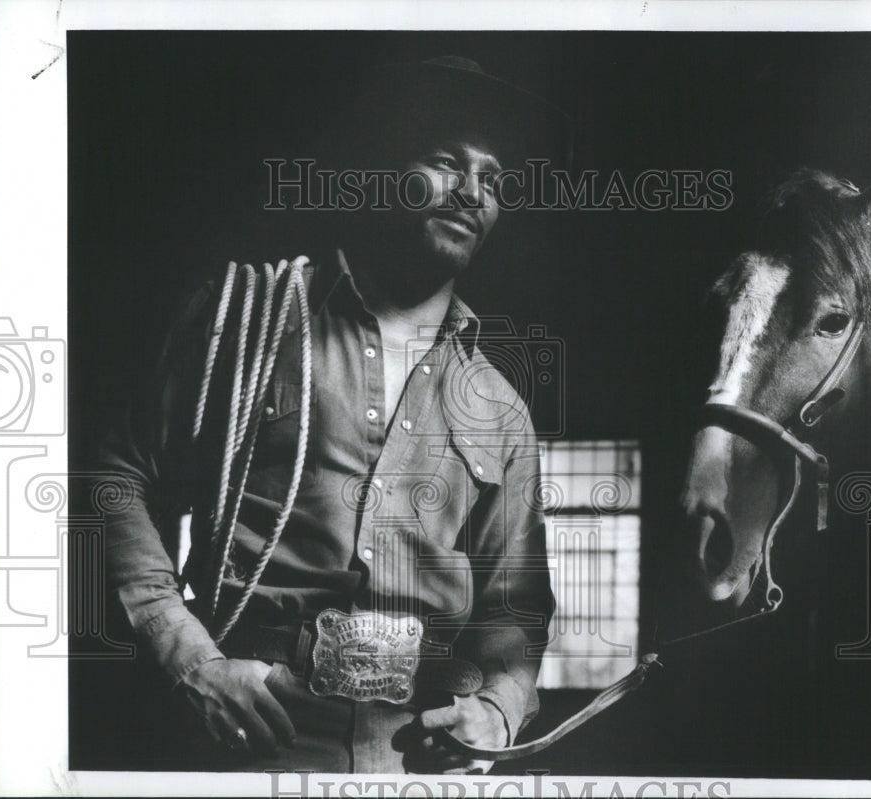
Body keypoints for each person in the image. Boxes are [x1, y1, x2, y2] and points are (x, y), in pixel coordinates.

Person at [97, 56, 569, 774]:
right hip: (248, 742)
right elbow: (114, 475)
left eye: (494, 181)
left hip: (422, 762)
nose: (472, 193)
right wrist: (187, 657)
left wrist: (499, 707)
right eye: (446, 163)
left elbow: (515, 604)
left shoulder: (501, 408)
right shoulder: (248, 317)